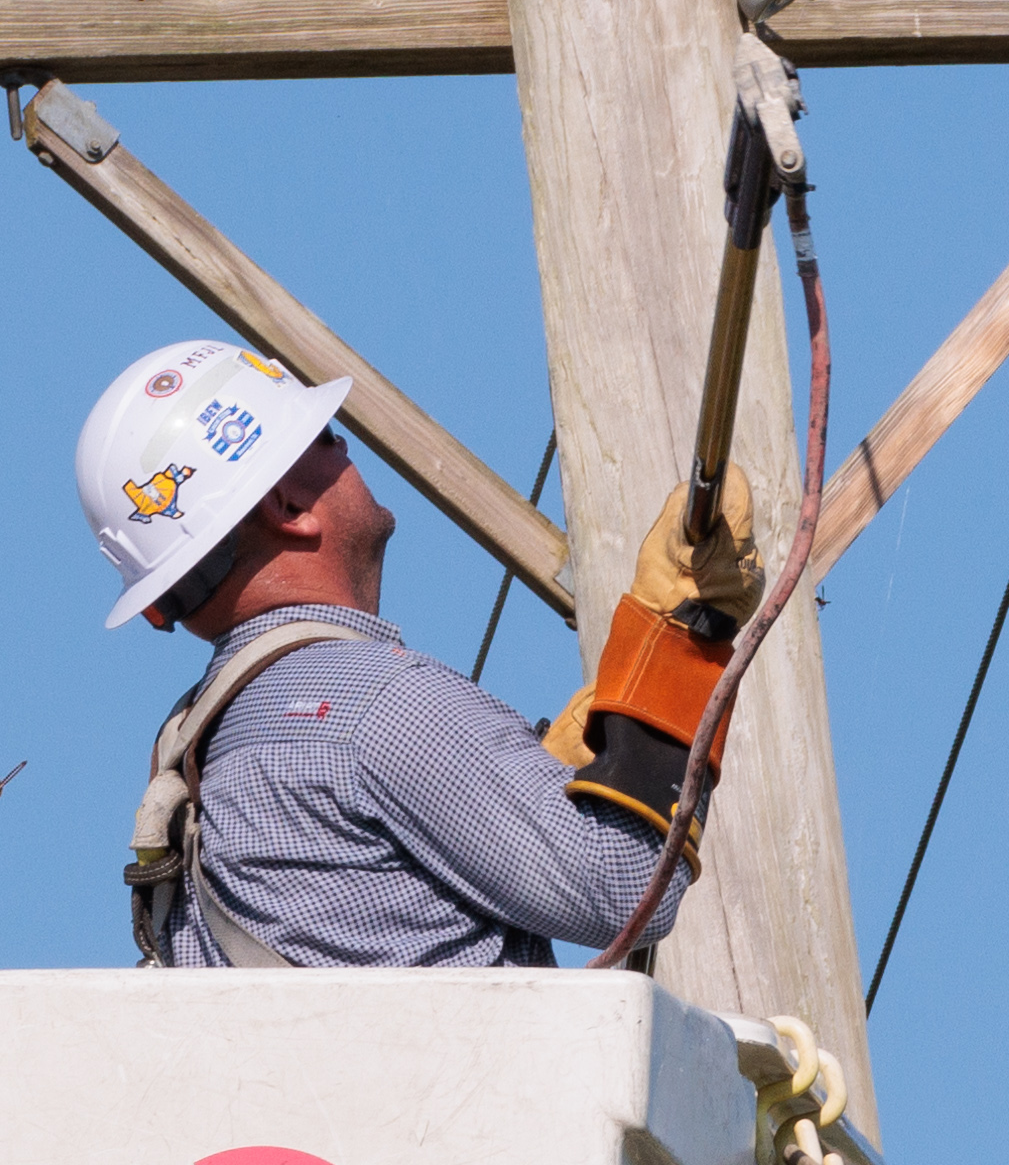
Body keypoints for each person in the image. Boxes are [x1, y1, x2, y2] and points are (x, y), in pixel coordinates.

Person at [78, 338, 757, 970]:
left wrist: (538, 783)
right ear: (289, 506)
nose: (344, 450)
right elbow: (623, 888)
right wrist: (683, 635)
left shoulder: (207, 746)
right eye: (321, 439)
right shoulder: (378, 706)